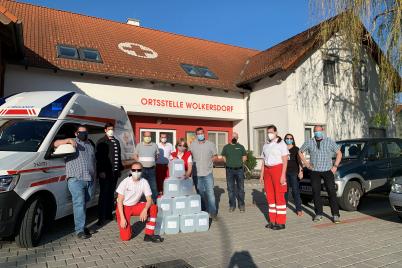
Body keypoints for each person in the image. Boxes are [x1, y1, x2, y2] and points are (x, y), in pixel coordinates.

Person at [54, 125, 95, 239]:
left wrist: (94, 176)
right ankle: (79, 230)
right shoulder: (71, 143)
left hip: (89, 179)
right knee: (79, 203)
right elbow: (55, 144)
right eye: (81, 132)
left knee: (85, 203)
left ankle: (82, 225)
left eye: (85, 132)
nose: (83, 134)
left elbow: (93, 162)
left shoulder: (90, 145)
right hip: (76, 179)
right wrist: (68, 140)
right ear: (76, 133)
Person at [298, 125, 342, 224]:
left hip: (327, 170)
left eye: (319, 131)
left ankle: (335, 215)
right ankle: (319, 214)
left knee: (331, 191)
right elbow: (300, 152)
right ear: (314, 132)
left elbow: (339, 153)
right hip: (315, 171)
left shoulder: (329, 141)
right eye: (315, 131)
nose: (317, 133)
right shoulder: (310, 141)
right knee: (316, 192)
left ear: (322, 131)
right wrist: (306, 163)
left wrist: (335, 166)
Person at [116, 162, 163, 242]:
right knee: (125, 238)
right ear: (131, 171)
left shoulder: (144, 182)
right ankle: (127, 227)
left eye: (139, 170)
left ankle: (149, 234)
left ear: (142, 171)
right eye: (134, 170)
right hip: (124, 208)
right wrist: (123, 218)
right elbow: (119, 201)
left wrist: (145, 210)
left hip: (135, 206)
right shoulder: (125, 182)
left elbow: (149, 200)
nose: (136, 172)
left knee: (153, 207)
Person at [259, 125, 289, 230]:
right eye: (268, 132)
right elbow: (263, 160)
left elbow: (285, 161)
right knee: (270, 196)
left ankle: (280, 222)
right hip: (267, 170)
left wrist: (283, 175)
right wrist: (261, 174)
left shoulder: (281, 143)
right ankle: (272, 221)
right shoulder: (266, 144)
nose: (269, 134)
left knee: (279, 196)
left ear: (276, 132)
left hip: (278, 169)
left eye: (271, 132)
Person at [96, 122, 123, 226]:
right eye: (109, 129)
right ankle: (101, 218)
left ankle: (108, 214)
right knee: (103, 195)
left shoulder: (116, 141)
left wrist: (119, 169)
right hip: (105, 173)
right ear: (105, 130)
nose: (111, 130)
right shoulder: (102, 141)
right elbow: (99, 158)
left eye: (112, 129)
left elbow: (118, 156)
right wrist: (101, 171)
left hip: (115, 173)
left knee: (111, 194)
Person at [189, 127, 218, 221]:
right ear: (196, 135)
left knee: (210, 193)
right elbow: (188, 157)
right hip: (196, 174)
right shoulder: (192, 145)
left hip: (207, 173)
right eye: (198, 134)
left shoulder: (211, 144)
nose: (200, 135)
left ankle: (213, 213)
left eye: (202, 133)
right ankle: (204, 210)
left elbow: (215, 156)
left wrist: (210, 161)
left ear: (204, 134)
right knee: (200, 193)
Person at [221, 132, 247, 212]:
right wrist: (228, 163)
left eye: (236, 137)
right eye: (233, 136)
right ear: (230, 138)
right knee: (230, 188)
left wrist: (239, 163)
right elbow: (223, 156)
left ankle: (241, 205)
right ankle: (232, 205)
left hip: (239, 170)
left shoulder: (241, 147)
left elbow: (245, 157)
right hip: (229, 170)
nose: (234, 138)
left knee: (241, 188)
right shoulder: (226, 147)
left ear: (237, 138)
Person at [134, 131, 159, 201]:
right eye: (146, 136)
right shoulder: (139, 145)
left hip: (152, 169)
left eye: (149, 136)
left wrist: (152, 162)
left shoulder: (154, 145)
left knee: (153, 186)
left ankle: (154, 203)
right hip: (142, 169)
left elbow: (157, 156)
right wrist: (139, 163)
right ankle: (142, 202)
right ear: (143, 137)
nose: (148, 138)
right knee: (140, 186)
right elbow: (135, 155)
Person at [284, 133, 304, 216]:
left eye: (290, 138)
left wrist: (301, 171)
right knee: (285, 191)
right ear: (285, 139)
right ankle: (283, 207)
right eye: (287, 138)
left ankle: (298, 209)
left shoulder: (296, 149)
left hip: (293, 172)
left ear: (293, 139)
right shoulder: (282, 148)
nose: (289, 139)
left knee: (295, 191)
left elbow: (300, 161)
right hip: (284, 172)